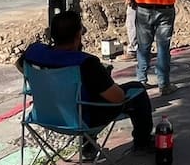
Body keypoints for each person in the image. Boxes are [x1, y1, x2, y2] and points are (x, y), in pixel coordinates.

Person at [16, 10, 155, 155]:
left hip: (45, 115)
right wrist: (102, 79)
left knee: (85, 93)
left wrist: (44, 83)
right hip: (81, 120)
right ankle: (142, 143)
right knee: (137, 90)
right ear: (78, 36)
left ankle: (89, 148)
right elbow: (117, 98)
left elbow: (19, 65)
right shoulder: (86, 63)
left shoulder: (35, 52)